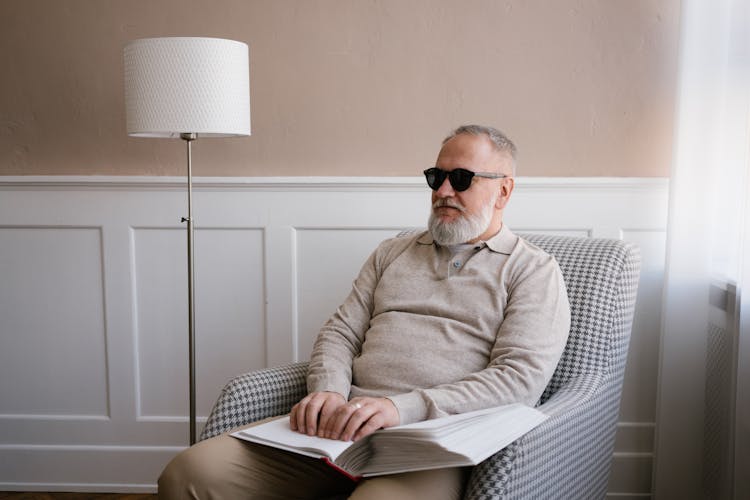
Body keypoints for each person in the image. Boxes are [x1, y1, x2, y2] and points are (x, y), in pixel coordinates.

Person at [158, 125, 571, 500]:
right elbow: (341, 332)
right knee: (188, 473)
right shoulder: (392, 253)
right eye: (436, 177)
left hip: (428, 445)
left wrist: (400, 409)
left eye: (461, 179)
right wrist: (328, 390)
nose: (444, 191)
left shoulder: (532, 270)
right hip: (338, 431)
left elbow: (519, 379)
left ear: (504, 191)